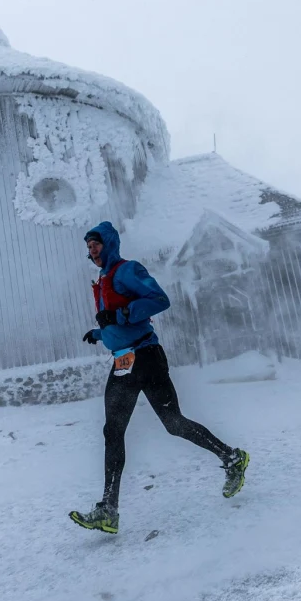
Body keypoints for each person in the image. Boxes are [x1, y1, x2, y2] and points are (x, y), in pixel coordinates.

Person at [69, 221, 250, 535]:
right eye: (88, 246)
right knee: (113, 431)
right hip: (124, 360)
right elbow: (118, 318)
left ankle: (232, 458)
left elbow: (158, 300)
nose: (92, 250)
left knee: (173, 423)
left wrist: (120, 316)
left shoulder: (128, 270)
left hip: (146, 356)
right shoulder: (103, 278)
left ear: (109, 244)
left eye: (96, 243)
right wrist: (101, 333)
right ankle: (108, 510)